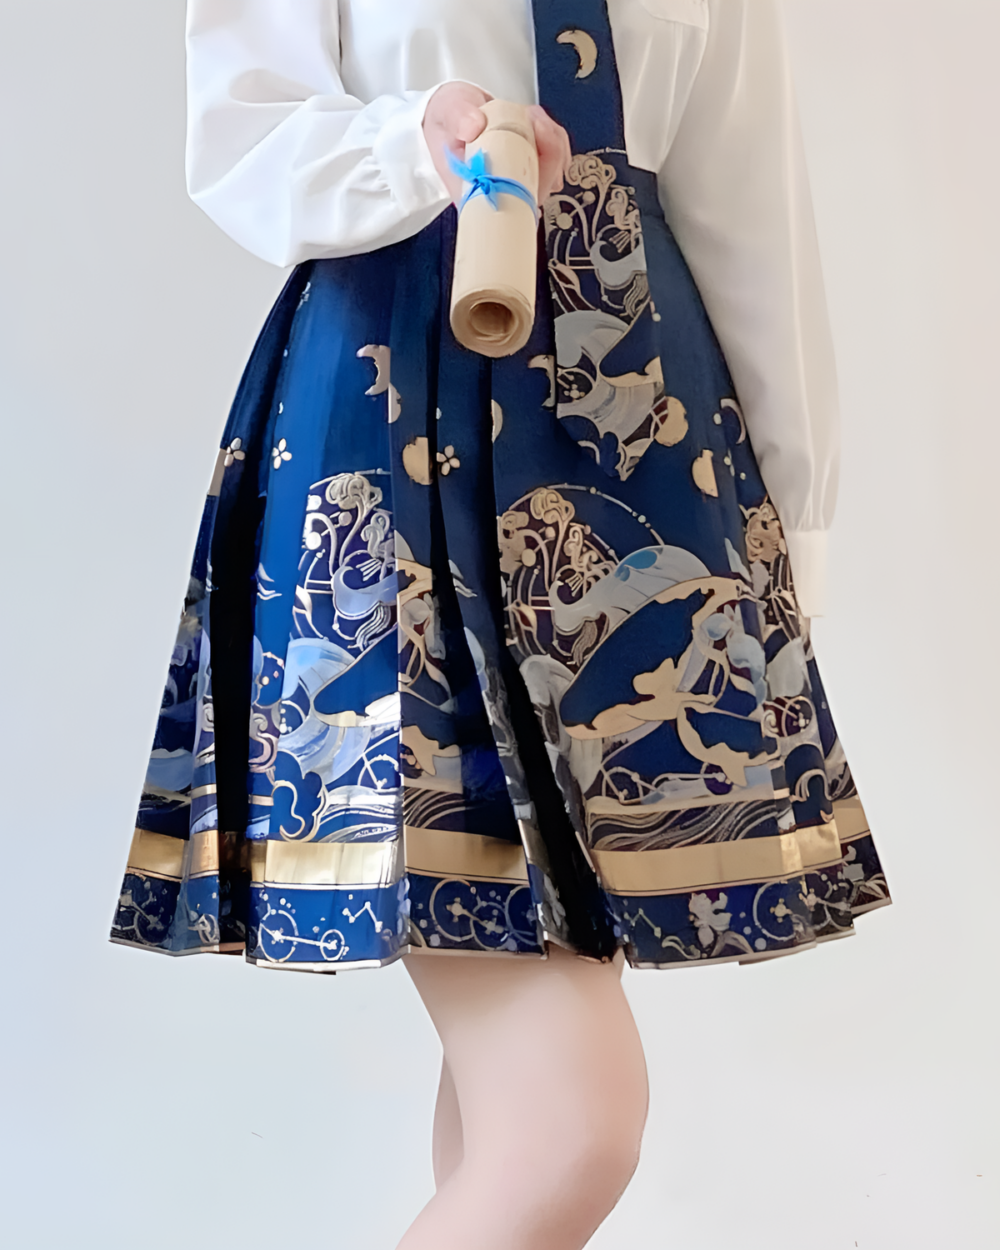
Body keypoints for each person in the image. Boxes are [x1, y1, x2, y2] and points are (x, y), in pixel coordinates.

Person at [111, 2, 892, 1246]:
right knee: (569, 1127)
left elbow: (751, 208)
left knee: (507, 1107)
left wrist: (791, 522)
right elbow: (239, 132)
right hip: (398, 437)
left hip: (648, 453)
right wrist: (403, 141)